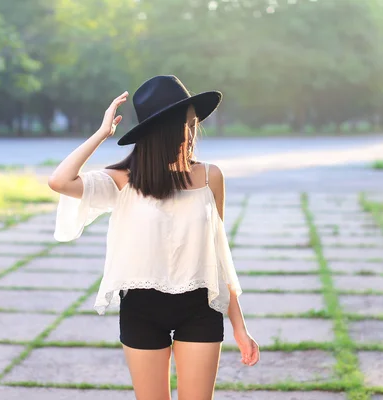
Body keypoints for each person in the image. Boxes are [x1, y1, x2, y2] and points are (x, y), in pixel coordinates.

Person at [48, 75, 259, 400]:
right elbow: (60, 181)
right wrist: (102, 134)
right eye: (185, 124)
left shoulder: (209, 177)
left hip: (200, 307)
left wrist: (240, 327)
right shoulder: (122, 181)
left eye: (193, 124)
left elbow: (218, 257)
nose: (191, 133)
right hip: (142, 309)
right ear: (160, 130)